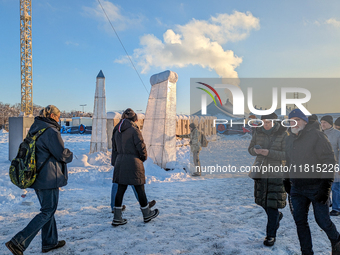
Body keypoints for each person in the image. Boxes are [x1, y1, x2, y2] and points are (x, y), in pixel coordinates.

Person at [6, 105, 73, 255]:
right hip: (49, 177)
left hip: (37, 176)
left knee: (47, 210)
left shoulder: (36, 128)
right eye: (58, 116)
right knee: (48, 211)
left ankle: (49, 243)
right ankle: (18, 242)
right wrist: (69, 154)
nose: (59, 118)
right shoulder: (51, 131)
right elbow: (61, 154)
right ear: (52, 116)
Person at [284, 109, 340, 255]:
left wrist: (325, 187)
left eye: (297, 119)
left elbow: (329, 160)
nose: (294, 123)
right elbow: (287, 161)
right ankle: (306, 252)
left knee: (323, 221)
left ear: (305, 121)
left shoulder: (316, 136)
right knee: (300, 222)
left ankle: (337, 241)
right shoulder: (289, 138)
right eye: (291, 120)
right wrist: (286, 179)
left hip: (316, 187)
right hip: (297, 188)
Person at [111, 108, 159, 226]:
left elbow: (114, 149)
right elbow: (141, 146)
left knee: (120, 190)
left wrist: (115, 162)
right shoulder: (133, 130)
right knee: (139, 189)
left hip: (120, 162)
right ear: (134, 119)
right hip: (133, 162)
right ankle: (147, 214)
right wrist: (143, 157)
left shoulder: (116, 130)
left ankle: (117, 217)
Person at [248, 112, 287, 247]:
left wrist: (269, 153)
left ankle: (271, 236)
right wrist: (255, 151)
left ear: (275, 122)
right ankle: (277, 217)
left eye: (269, 122)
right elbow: (250, 149)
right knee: (263, 202)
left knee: (272, 205)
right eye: (264, 122)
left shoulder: (283, 134)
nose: (266, 124)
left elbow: (287, 154)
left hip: (276, 173)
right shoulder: (258, 132)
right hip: (260, 171)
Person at [320, 115, 340, 216]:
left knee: (335, 187)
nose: (322, 124)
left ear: (330, 123)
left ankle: (337, 208)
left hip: (335, 164)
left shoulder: (337, 134)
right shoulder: (319, 134)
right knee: (324, 186)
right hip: (322, 165)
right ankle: (328, 204)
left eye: (325, 123)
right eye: (321, 122)